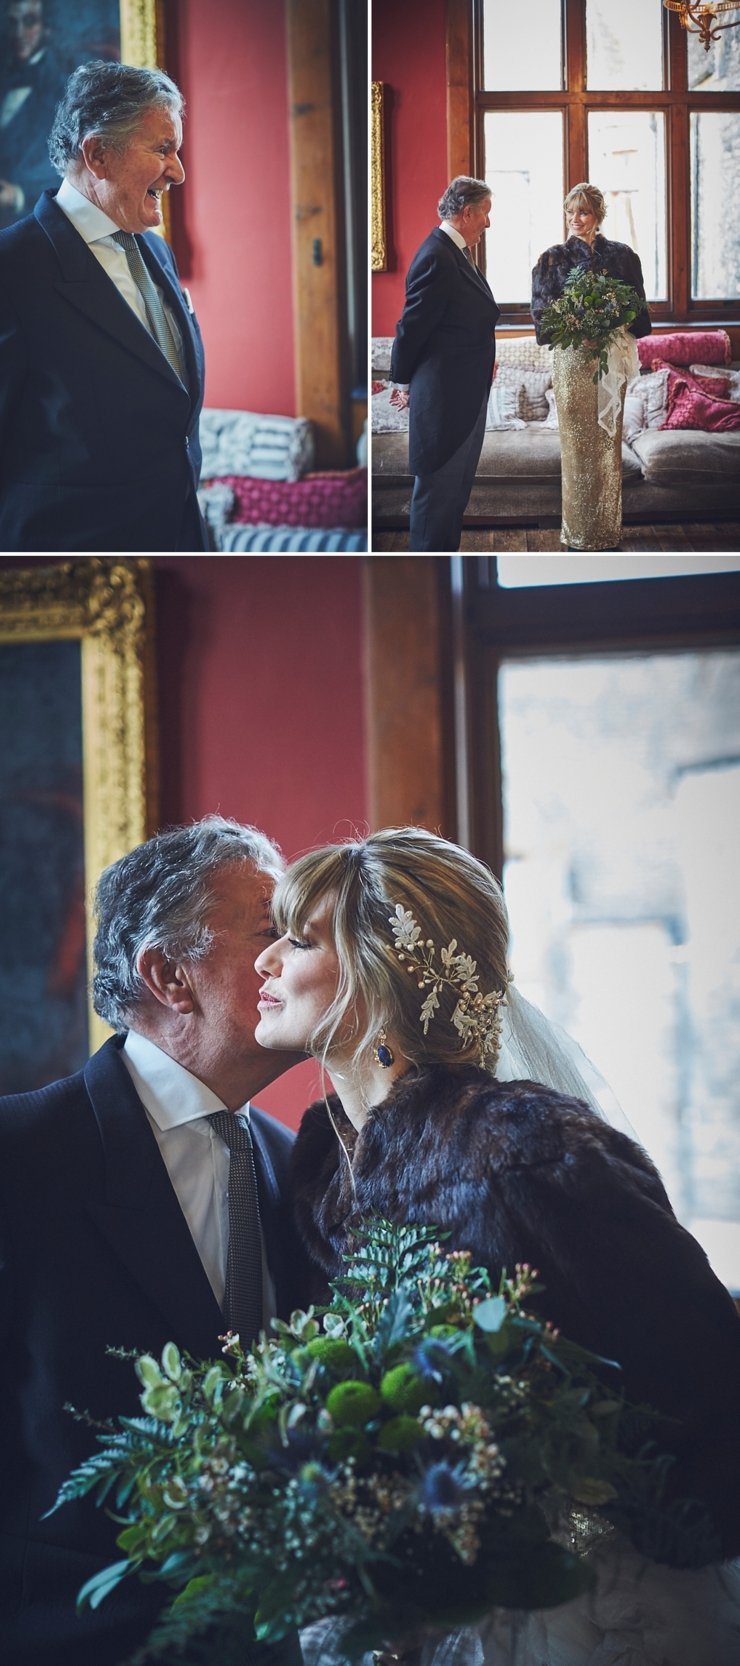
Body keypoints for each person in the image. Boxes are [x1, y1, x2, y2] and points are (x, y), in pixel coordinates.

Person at [254, 827, 740, 1666]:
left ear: (377, 975)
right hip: (403, 1601)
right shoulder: (318, 1161)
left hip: (579, 1603)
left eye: (297, 941)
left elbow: (696, 1373)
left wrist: (571, 1529)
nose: (266, 961)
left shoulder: (524, 1143)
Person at [0, 815, 307, 1666]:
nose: (298, 960)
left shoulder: (303, 1168)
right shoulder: (18, 1159)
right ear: (171, 974)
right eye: (270, 935)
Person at [0, 59, 208, 553]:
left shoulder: (157, 250)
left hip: (181, 540)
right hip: (69, 554)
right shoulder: (12, 266)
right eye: (163, 149)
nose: (177, 172)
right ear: (97, 155)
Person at [531, 182, 652, 553]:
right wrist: (576, 329)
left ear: (598, 215)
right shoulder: (551, 259)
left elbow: (641, 317)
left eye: (582, 212)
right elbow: (542, 320)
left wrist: (612, 323)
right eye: (570, 212)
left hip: (610, 361)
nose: (575, 219)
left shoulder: (623, 256)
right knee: (577, 447)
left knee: (607, 444)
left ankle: (606, 531)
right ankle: (577, 532)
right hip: (571, 364)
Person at [389, 177, 500, 553]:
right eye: (485, 213)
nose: (488, 222)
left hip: (465, 392)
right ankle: (425, 572)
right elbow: (411, 326)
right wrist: (401, 382)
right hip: (446, 398)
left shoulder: (456, 253)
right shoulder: (436, 256)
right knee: (437, 495)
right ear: (467, 213)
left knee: (454, 497)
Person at [0, 0, 70, 229]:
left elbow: (72, 167)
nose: (19, 32)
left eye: (29, 22)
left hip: (36, 225)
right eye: (12, 22)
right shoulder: (6, 76)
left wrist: (18, 193)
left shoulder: (62, 86)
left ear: (46, 27)